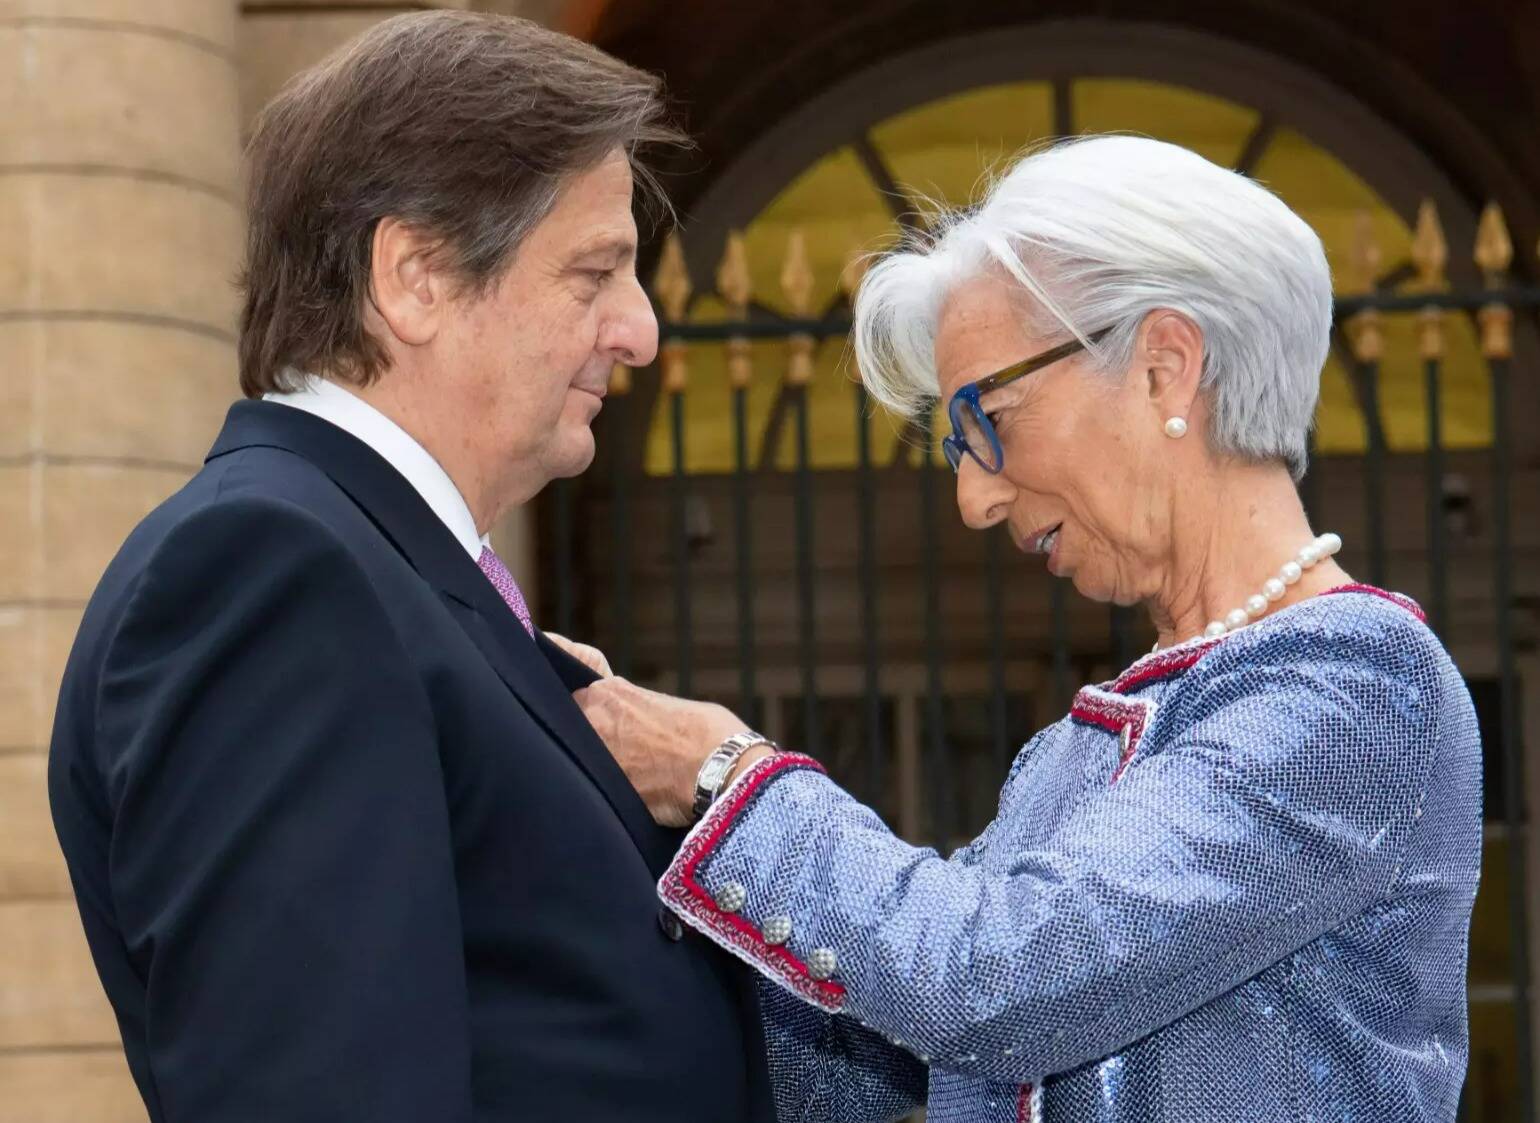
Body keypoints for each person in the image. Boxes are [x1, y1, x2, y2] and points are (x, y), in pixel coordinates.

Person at [569, 136, 1483, 1122]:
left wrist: (723, 777)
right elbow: (847, 1058)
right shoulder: (1081, 748)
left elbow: (1001, 978)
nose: (973, 496)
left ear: (1164, 368)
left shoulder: (1354, 684)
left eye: (989, 416)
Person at [48, 13, 773, 1122]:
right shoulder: (274, 573)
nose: (640, 329)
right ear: (416, 275)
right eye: (594, 273)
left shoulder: (384, 567)